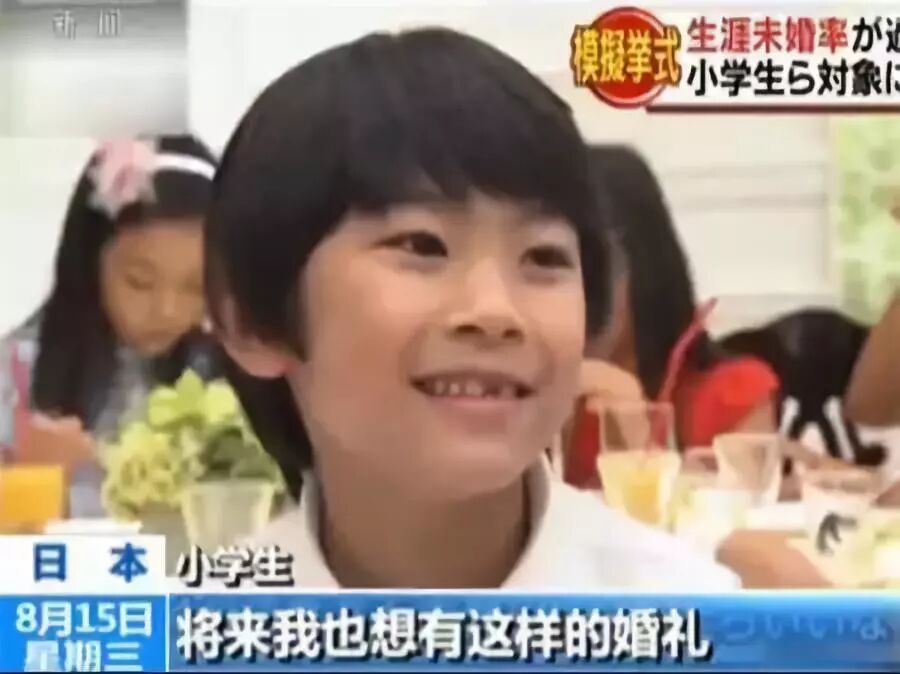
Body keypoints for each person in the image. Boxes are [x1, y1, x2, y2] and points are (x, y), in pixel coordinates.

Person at [206, 28, 738, 590]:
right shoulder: (194, 624)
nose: (495, 311)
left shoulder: (689, 609)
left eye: (544, 256)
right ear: (250, 320)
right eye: (422, 245)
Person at [0, 135, 220, 514]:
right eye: (140, 282)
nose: (167, 311)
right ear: (90, 260)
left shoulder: (228, 377)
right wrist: (34, 479)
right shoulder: (16, 372)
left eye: (195, 287)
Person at [563, 145, 780, 489]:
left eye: (594, 270)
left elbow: (741, 516)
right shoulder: (534, 397)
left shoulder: (734, 393)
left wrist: (636, 438)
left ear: (645, 265)